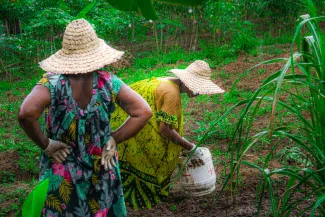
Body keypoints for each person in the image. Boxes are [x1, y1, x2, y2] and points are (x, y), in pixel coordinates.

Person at [18, 19, 152, 217]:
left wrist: (47, 145)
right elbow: (143, 111)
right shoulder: (108, 82)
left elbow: (26, 113)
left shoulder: (52, 83)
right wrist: (114, 138)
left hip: (63, 168)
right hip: (102, 165)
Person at [111, 60, 225, 209]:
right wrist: (191, 147)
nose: (198, 93)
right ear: (188, 82)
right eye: (198, 87)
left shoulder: (164, 81)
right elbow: (165, 129)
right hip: (135, 132)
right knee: (145, 170)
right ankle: (144, 206)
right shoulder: (172, 94)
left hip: (123, 124)